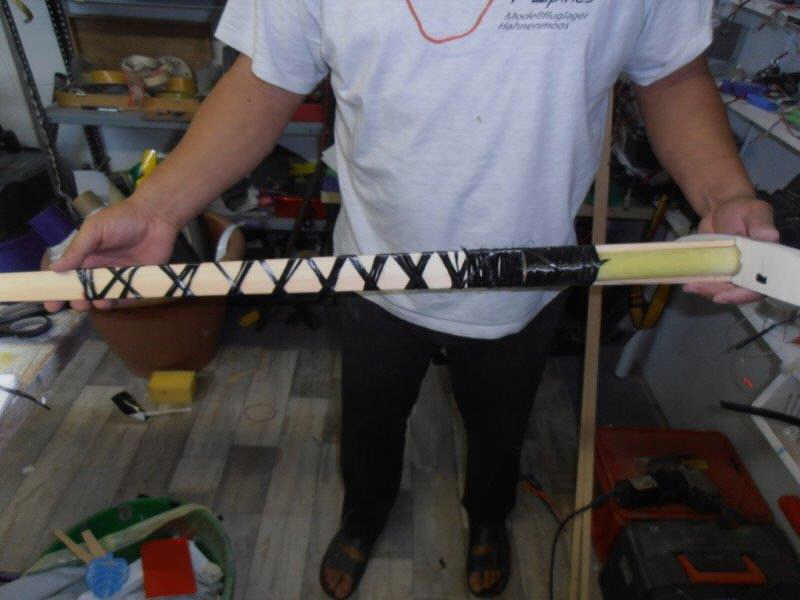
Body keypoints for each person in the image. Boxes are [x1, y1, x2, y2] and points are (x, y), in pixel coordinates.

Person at [47, 2, 778, 597]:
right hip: (373, 270)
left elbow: (671, 73)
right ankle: (364, 518)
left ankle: (487, 520)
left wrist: (724, 192)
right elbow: (266, 78)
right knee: (369, 423)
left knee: (498, 431)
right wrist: (157, 206)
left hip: (525, 281)